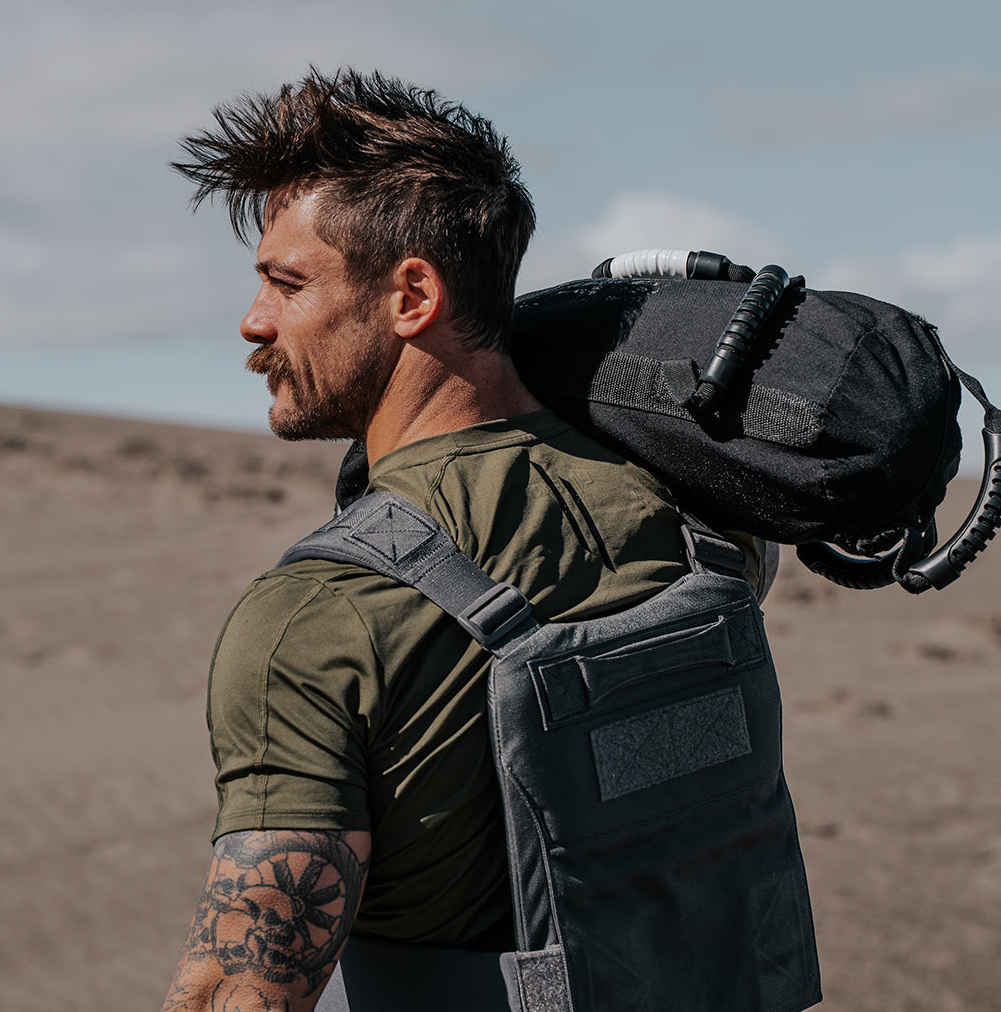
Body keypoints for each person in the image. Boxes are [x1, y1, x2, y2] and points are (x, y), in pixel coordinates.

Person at [160, 68, 772, 1012]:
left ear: (413, 294)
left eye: (287, 283)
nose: (254, 321)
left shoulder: (312, 622)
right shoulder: (696, 519)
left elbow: (238, 993)